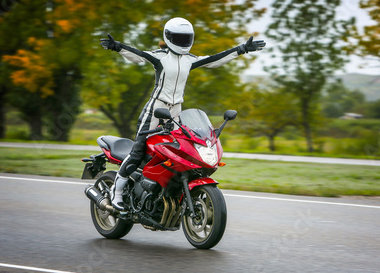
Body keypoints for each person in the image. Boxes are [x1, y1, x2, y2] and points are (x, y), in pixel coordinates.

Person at [100, 17, 265, 210]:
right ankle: (117, 192)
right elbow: (138, 55)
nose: (183, 42)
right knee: (138, 152)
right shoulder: (160, 57)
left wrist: (242, 49)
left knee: (180, 148)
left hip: (176, 109)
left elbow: (215, 59)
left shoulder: (190, 60)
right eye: (178, 38)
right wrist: (116, 46)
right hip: (156, 108)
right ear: (168, 37)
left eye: (186, 38)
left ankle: (167, 189)